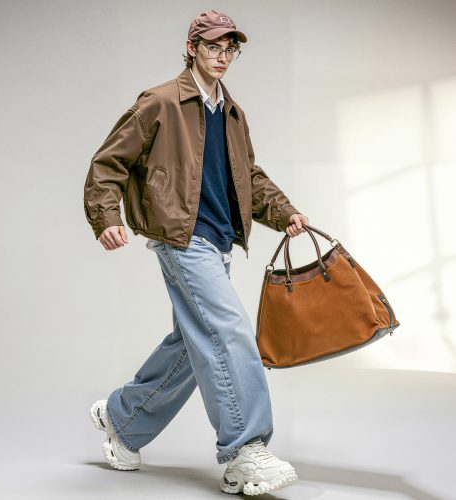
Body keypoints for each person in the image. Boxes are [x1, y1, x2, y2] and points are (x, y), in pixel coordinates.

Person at [83, 9, 309, 496]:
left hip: (219, 239)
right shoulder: (160, 102)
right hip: (181, 238)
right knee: (228, 331)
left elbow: (248, 176)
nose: (222, 57)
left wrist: (284, 211)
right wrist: (106, 217)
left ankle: (123, 421)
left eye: (230, 49)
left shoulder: (232, 112)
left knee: (192, 343)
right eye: (212, 47)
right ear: (192, 48)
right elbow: (108, 162)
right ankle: (244, 450)